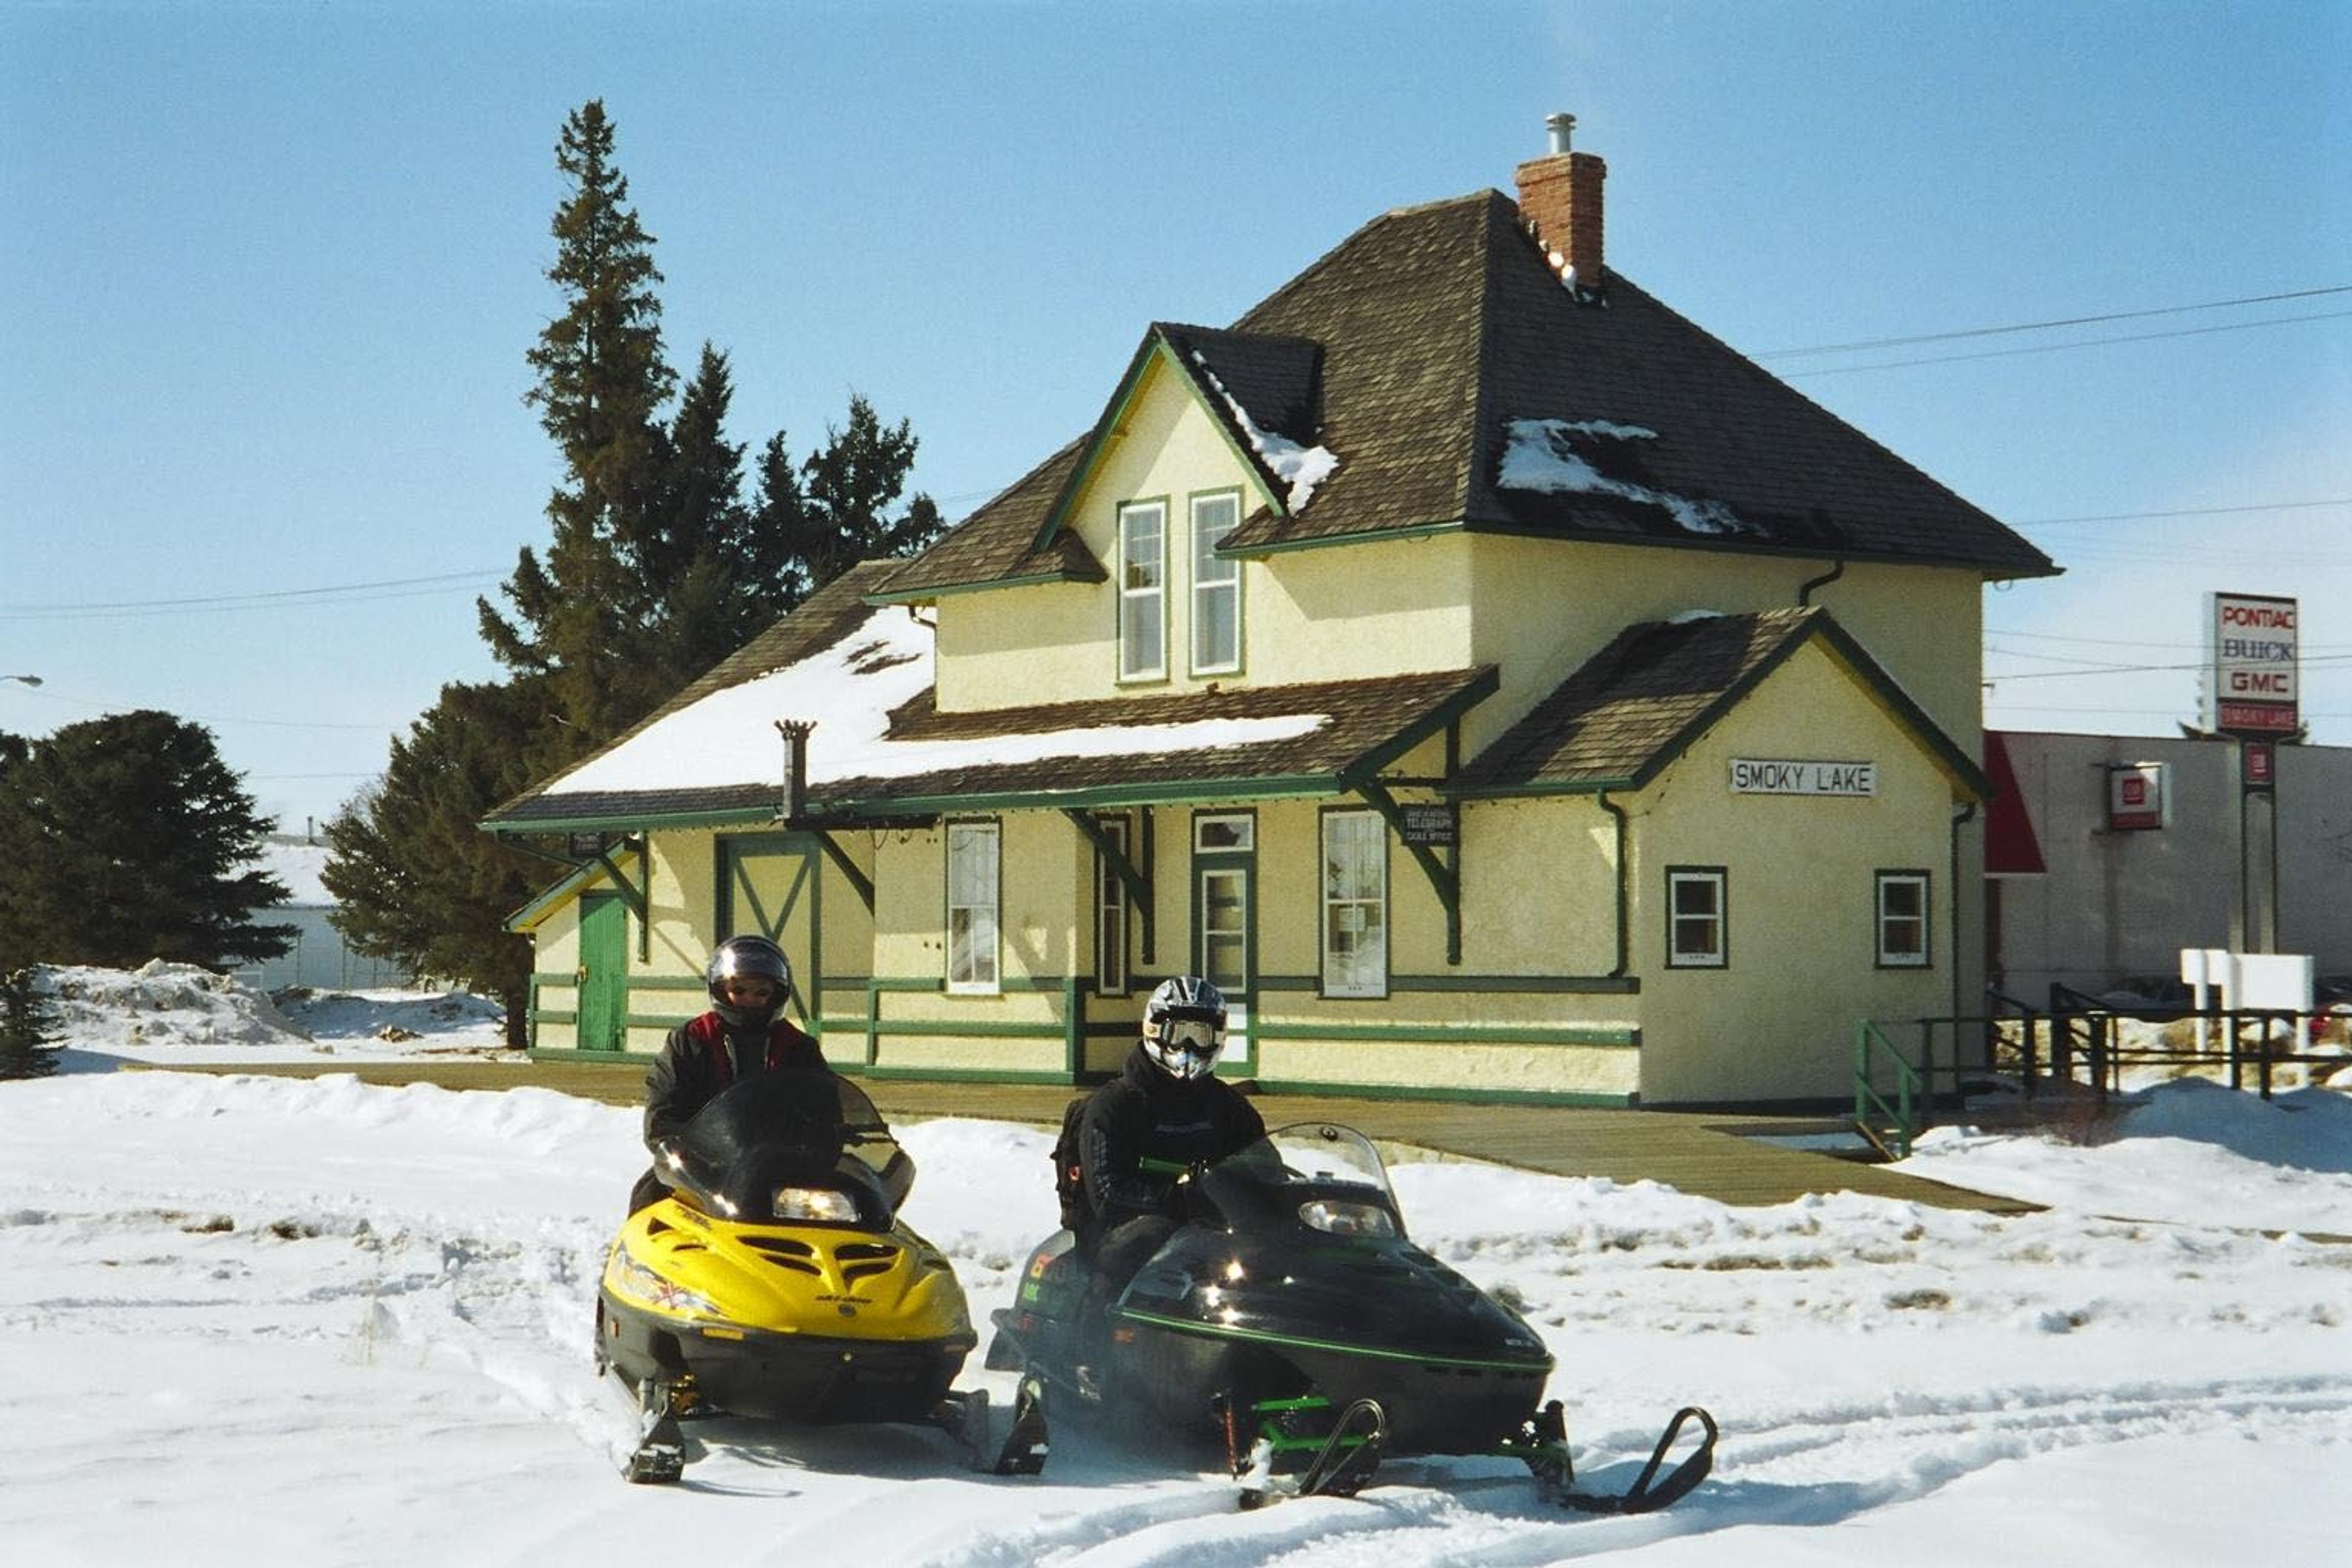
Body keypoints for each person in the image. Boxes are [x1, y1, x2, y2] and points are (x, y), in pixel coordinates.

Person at [1069, 976, 1265, 1373]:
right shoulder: (1115, 1105)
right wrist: (1182, 1199)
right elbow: (1107, 1193)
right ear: (1156, 1031)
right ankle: (1092, 1357)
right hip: (1126, 1229)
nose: (1190, 1047)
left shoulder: (1229, 1108)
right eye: (1181, 1034)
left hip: (1213, 1229)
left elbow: (1265, 1167)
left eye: (1202, 1034)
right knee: (1145, 1238)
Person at [627, 935, 832, 1213]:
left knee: (851, 1211)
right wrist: (682, 1150)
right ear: (721, 990)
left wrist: (830, 1142)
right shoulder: (691, 1040)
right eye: (740, 990)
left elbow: (826, 1107)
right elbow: (663, 1111)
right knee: (649, 1200)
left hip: (783, 1170)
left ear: (778, 993)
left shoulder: (799, 1048)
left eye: (761, 992)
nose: (750, 1000)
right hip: (703, 1168)